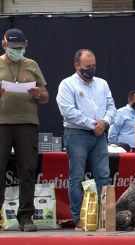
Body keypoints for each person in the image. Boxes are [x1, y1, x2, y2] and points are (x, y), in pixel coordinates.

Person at [56, 49, 116, 230]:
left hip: (100, 136)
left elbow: (112, 107)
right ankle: (78, 218)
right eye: (88, 66)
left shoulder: (102, 84)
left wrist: (104, 123)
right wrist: (93, 124)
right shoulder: (67, 84)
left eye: (94, 66)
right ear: (77, 66)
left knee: (104, 177)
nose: (92, 69)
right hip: (77, 135)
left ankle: (104, 218)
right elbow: (68, 111)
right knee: (76, 176)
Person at [0, 28, 49, 232]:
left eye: (21, 47)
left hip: (27, 122)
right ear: (4, 45)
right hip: (2, 123)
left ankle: (26, 216)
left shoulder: (31, 64)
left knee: (28, 170)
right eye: (14, 47)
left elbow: (46, 96)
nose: (17, 51)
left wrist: (38, 93)